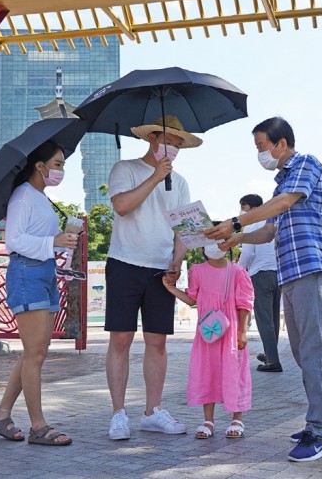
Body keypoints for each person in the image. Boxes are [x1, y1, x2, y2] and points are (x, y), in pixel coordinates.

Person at [204, 117, 322, 463]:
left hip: (312, 267)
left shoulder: (304, 164)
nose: (260, 154)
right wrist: (237, 237)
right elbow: (269, 230)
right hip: (291, 273)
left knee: (314, 350)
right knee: (304, 350)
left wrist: (237, 222)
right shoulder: (280, 182)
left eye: (261, 146)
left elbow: (282, 205)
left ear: (281, 144)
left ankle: (318, 432)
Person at [104, 115, 202, 440]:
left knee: (157, 342)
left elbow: (185, 229)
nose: (172, 147)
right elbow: (121, 206)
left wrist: (177, 261)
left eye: (178, 143)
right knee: (121, 339)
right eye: (168, 140)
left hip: (161, 269)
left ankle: (152, 411)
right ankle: (119, 413)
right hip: (124, 263)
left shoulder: (183, 182)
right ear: (153, 138)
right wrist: (156, 177)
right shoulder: (126, 169)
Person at [0, 139, 79, 446]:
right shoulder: (24, 196)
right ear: (39, 166)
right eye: (57, 164)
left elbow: (42, 238)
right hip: (26, 272)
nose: (61, 171)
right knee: (36, 354)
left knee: (32, 353)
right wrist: (53, 243)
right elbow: (13, 241)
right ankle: (38, 427)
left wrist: (60, 239)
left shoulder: (41, 198)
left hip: (43, 273)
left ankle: (1, 416)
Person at [163, 244, 254, 439]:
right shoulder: (197, 270)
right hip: (208, 334)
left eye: (220, 240)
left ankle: (237, 419)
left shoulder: (237, 272)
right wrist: (171, 288)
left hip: (231, 333)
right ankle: (208, 420)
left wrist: (242, 332)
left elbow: (244, 303)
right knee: (207, 371)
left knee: (234, 372)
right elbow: (191, 299)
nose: (215, 245)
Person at [236, 194, 282, 372]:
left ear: (251, 208)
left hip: (260, 275)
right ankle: (270, 353)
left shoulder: (251, 225)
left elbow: (248, 254)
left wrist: (238, 271)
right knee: (274, 318)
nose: (242, 212)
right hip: (278, 274)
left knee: (264, 320)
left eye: (243, 208)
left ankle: (272, 361)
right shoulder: (272, 225)